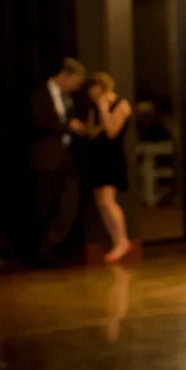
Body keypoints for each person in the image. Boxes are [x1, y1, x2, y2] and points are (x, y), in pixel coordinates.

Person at [28, 57, 87, 265]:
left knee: (68, 205)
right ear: (64, 75)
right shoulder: (39, 95)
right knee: (44, 205)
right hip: (45, 158)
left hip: (66, 158)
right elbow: (38, 122)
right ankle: (41, 252)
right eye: (75, 82)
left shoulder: (67, 98)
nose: (76, 87)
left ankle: (53, 242)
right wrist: (67, 127)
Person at [82, 72, 133, 263]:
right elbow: (94, 133)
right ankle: (116, 240)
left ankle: (123, 240)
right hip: (97, 157)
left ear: (101, 87)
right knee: (100, 203)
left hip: (111, 157)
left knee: (108, 201)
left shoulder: (121, 103)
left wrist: (104, 109)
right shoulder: (93, 107)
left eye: (92, 88)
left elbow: (112, 132)